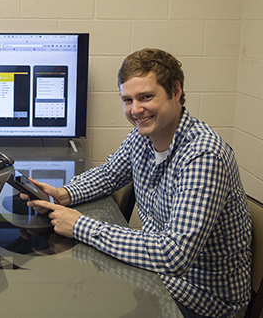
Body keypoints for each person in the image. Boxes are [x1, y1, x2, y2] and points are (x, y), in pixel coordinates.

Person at [23, 48, 252, 318]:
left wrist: (79, 225)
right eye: (127, 100)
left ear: (176, 91)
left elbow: (173, 254)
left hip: (201, 299)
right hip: (159, 276)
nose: (135, 110)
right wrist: (64, 193)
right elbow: (109, 174)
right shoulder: (142, 136)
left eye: (146, 97)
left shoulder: (204, 155)